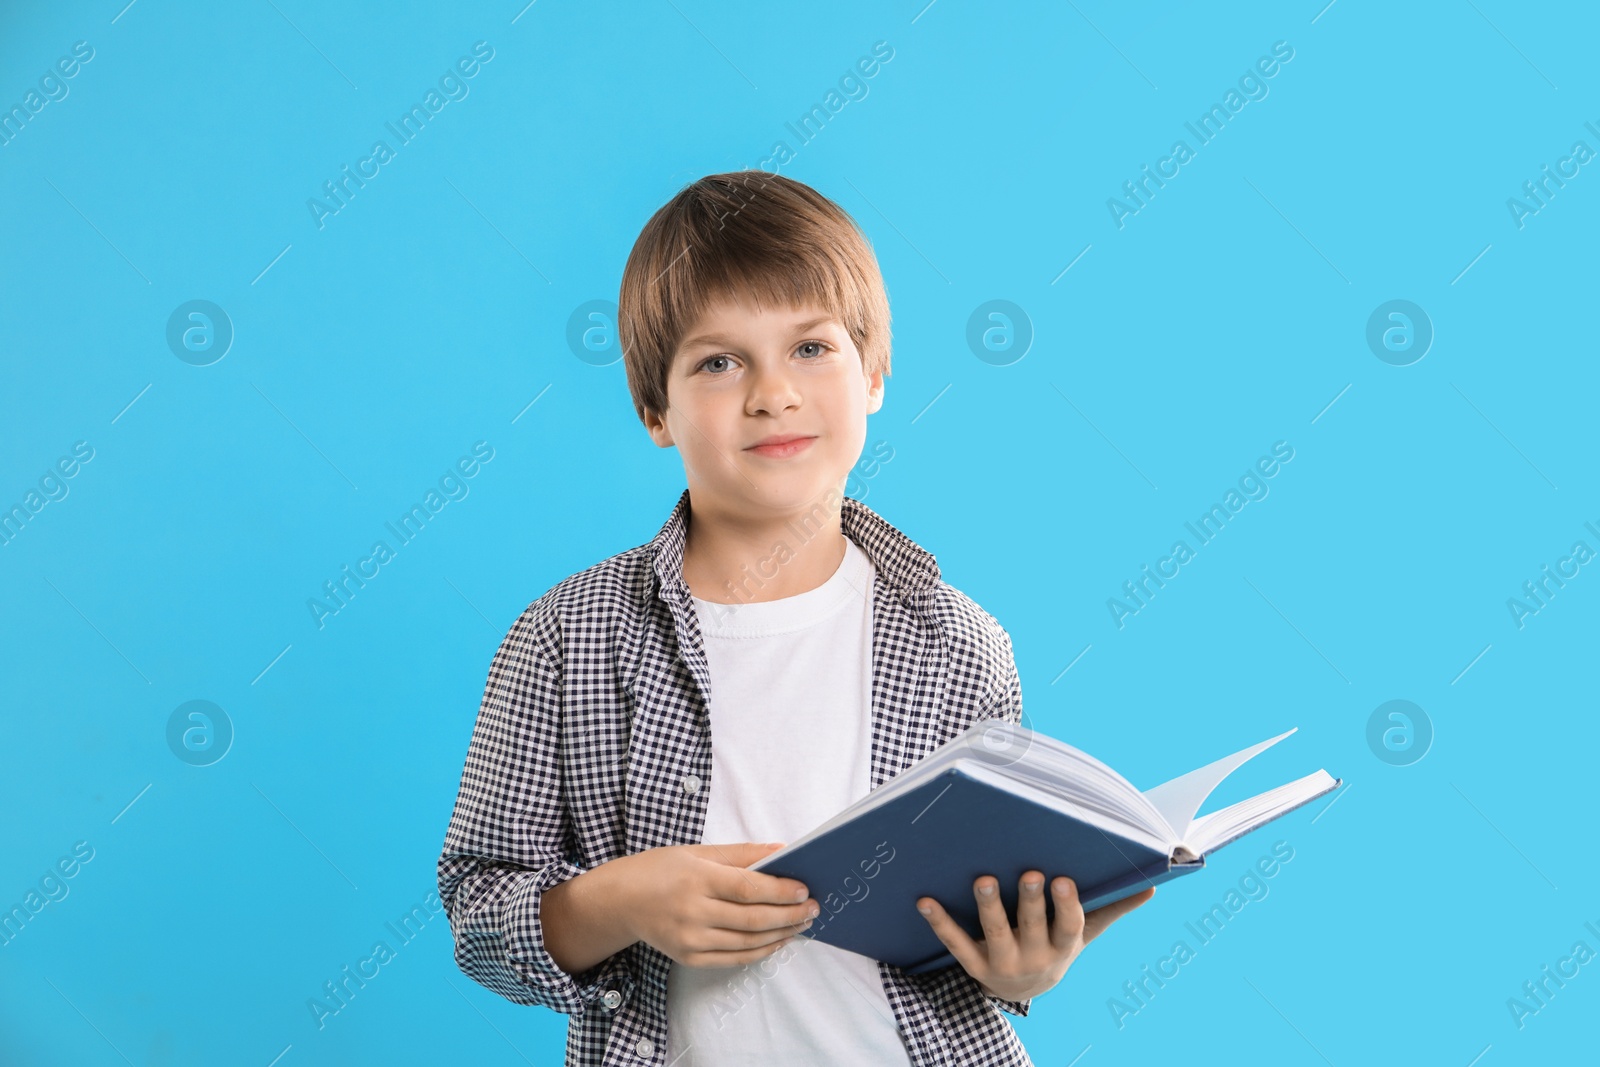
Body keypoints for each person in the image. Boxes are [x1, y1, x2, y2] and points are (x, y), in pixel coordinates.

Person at [436, 171, 1153, 1067]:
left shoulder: (961, 641)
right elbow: (479, 913)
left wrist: (1024, 967)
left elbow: (979, 935)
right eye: (719, 361)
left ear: (876, 373)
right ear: (655, 409)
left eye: (811, 348)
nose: (772, 393)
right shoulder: (565, 637)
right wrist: (622, 899)